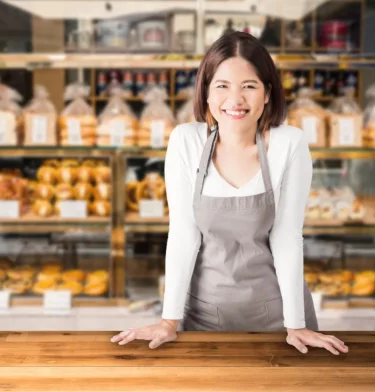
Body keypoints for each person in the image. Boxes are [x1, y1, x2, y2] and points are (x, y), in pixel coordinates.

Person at [111, 32, 349, 356]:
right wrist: (168, 321)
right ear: (206, 93)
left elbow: (287, 236)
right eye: (222, 86)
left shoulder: (288, 143)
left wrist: (296, 324)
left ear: (267, 93)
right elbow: (183, 234)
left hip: (279, 320)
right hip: (201, 318)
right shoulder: (186, 141)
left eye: (248, 86)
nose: (235, 100)